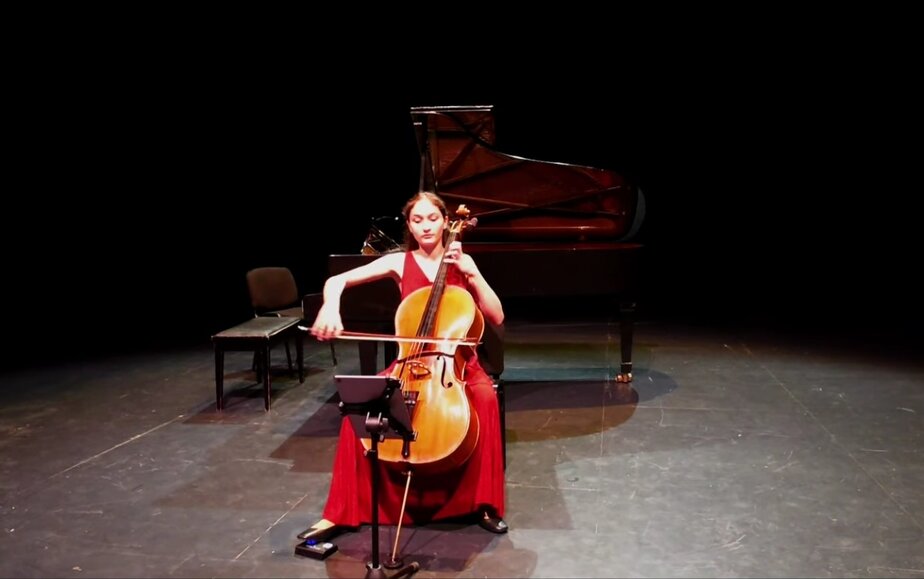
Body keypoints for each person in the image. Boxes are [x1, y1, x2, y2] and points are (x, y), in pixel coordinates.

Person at [298, 191, 508, 542]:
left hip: (457, 366)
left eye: (432, 219)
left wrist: (472, 274)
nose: (425, 226)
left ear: (445, 222)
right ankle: (340, 512)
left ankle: (484, 504)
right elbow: (337, 281)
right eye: (417, 220)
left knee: (484, 400)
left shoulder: (462, 262)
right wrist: (330, 307)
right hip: (409, 361)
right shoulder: (399, 262)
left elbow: (497, 316)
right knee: (358, 408)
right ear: (409, 225)